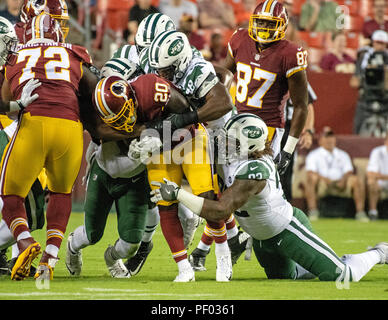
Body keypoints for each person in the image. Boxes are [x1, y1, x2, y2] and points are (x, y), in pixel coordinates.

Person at [150, 113, 388, 284]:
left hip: (286, 229)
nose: (225, 143)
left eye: (231, 140)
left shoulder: (255, 171)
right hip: (261, 237)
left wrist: (179, 194)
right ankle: (319, 259)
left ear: (248, 144)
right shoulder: (234, 155)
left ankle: (379, 253)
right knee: (286, 277)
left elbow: (221, 211)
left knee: (340, 275)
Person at [0, 13, 93, 282]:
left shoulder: (16, 55)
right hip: (70, 127)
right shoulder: (76, 53)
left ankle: (25, 242)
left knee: (11, 194)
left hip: (34, 123)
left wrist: (18, 104)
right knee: (61, 193)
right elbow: (91, 92)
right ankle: (49, 259)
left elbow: (4, 101)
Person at [223, 0, 309, 179]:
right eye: (260, 22)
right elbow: (225, 76)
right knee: (227, 181)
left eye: (270, 23)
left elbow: (301, 106)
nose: (263, 27)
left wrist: (288, 150)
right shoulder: (240, 38)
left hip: (267, 128)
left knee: (258, 185)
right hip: (236, 122)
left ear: (282, 26)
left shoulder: (291, 54)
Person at [303, 126, 368, 221]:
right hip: (323, 183)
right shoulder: (314, 155)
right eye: (326, 137)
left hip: (341, 182)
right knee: (311, 178)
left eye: (331, 137)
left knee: (356, 180)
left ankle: (360, 213)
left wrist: (344, 180)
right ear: (320, 140)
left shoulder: (343, 154)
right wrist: (325, 180)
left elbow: (348, 170)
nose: (330, 140)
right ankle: (313, 211)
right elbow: (311, 171)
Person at [280, 82, 316, 202]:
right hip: (268, 126)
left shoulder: (297, 76)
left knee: (285, 168)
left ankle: (285, 204)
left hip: (289, 128)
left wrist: (308, 131)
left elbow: (308, 106)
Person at [350, 30, 388, 136]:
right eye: (377, 42)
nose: (380, 46)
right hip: (366, 100)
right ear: (373, 43)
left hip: (385, 100)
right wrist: (367, 77)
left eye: (382, 43)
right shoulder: (365, 58)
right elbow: (354, 82)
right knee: (358, 133)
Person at [366, 135, 388, 220]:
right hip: (380, 181)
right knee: (371, 182)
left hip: (382, 178)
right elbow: (371, 173)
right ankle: (373, 213)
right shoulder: (377, 152)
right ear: (386, 141)